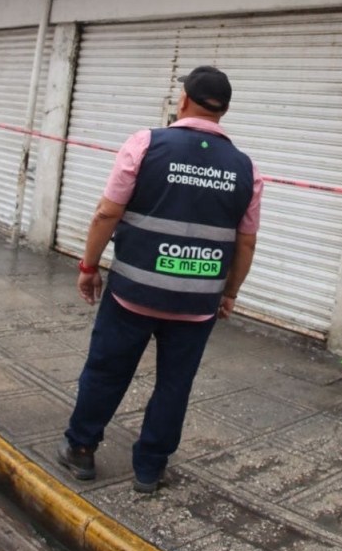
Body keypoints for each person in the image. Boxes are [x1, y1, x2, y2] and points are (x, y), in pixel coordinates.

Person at [57, 65, 263, 493]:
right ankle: (150, 469)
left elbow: (106, 213)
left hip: (133, 294)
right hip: (197, 303)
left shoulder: (145, 144)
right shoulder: (246, 168)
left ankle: (81, 450)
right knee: (175, 383)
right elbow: (246, 242)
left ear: (183, 100)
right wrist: (230, 293)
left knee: (107, 370)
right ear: (223, 111)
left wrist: (89, 267)